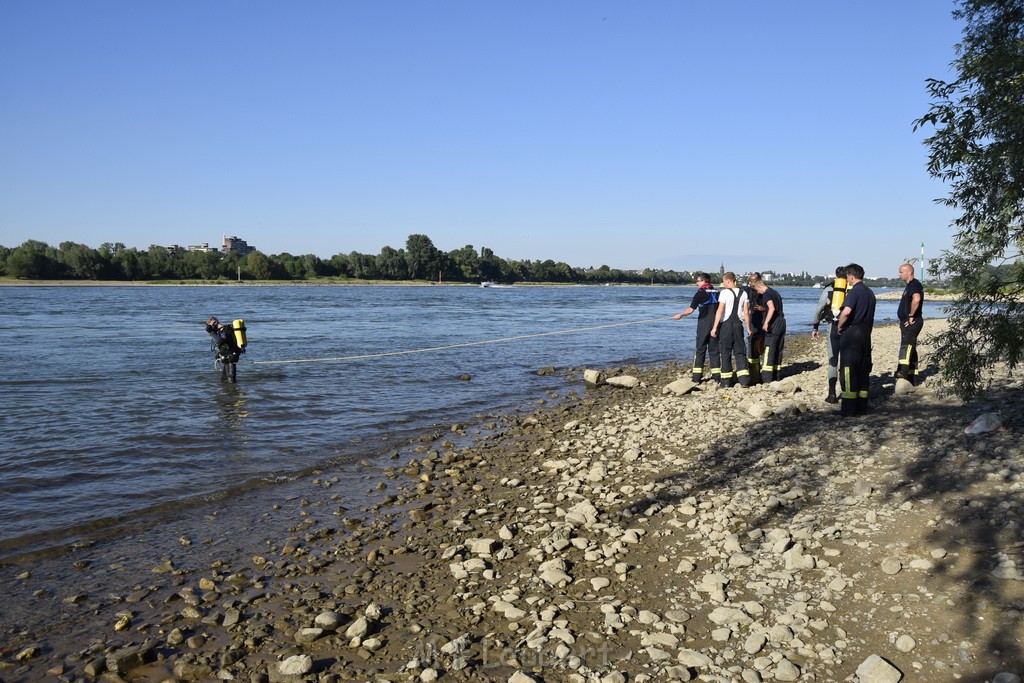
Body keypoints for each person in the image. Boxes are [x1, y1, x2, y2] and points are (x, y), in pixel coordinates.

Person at [836, 264, 876, 416]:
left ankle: (848, 409)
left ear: (851, 276)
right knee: (863, 370)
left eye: (847, 277)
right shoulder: (870, 293)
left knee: (848, 370)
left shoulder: (855, 291)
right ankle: (862, 407)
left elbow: (846, 312)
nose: (847, 280)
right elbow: (871, 317)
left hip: (852, 333)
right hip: (866, 333)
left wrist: (840, 326)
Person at [673, 273, 720, 384]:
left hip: (703, 323)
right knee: (714, 351)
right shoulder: (718, 292)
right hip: (716, 324)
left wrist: (680, 315)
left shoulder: (699, 294)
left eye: (698, 281)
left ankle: (696, 378)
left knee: (700, 350)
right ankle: (717, 377)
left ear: (703, 281)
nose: (696, 283)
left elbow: (690, 310)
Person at [812, 266, 848, 403]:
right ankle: (847, 392)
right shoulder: (851, 289)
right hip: (848, 329)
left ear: (836, 276)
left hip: (833, 327)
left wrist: (815, 326)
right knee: (846, 361)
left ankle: (832, 394)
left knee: (833, 361)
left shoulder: (828, 289)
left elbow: (819, 309)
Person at [710, 271, 752, 388]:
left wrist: (714, 328)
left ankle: (726, 381)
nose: (723, 283)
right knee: (740, 352)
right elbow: (746, 313)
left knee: (725, 352)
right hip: (738, 325)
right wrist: (748, 328)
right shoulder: (743, 293)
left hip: (726, 326)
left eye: (723, 281)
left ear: (728, 281)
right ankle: (744, 380)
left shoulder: (724, 293)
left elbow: (720, 311)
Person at [750, 276, 786, 384]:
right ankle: (776, 375)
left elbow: (772, 308)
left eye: (757, 290)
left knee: (769, 349)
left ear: (760, 286)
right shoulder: (775, 293)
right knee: (778, 349)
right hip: (782, 322)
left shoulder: (766, 294)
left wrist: (766, 323)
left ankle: (766, 377)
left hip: (774, 324)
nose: (758, 292)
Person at [895, 263, 925, 385]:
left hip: (912, 321)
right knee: (911, 348)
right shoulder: (909, 286)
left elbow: (916, 299)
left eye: (901, 272)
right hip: (907, 321)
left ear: (909, 272)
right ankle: (912, 377)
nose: (899, 274)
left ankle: (902, 371)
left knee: (906, 345)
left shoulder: (914, 284)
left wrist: (911, 315)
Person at [743, 273, 766, 384]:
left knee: (760, 347)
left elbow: (772, 306)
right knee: (751, 347)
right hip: (752, 322)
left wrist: (763, 308)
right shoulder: (747, 290)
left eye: (752, 281)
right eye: (749, 281)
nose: (750, 283)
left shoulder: (765, 291)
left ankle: (762, 374)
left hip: (762, 322)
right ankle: (754, 375)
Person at [206, 316, 243, 383]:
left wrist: (212, 333)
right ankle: (227, 392)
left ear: (214, 323)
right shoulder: (221, 331)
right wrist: (220, 354)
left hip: (231, 357)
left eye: (212, 327)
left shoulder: (224, 331)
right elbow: (225, 345)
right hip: (227, 357)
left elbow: (220, 341)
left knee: (231, 380)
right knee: (223, 379)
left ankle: (233, 392)